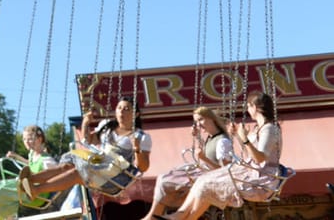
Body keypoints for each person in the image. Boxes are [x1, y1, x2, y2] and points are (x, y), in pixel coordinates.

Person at [162, 92, 284, 220]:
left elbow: (260, 158)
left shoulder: (269, 129)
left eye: (248, 106)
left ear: (254, 106)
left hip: (261, 178)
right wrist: (238, 135)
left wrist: (244, 138)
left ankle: (179, 216)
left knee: (205, 184)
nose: (247, 110)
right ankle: (179, 215)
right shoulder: (258, 128)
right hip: (251, 171)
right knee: (202, 180)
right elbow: (250, 154)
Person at [21, 96, 150, 198]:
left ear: (136, 114)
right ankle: (30, 180)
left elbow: (143, 167)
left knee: (77, 173)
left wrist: (136, 148)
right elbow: (87, 140)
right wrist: (85, 123)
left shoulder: (141, 136)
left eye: (127, 109)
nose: (121, 111)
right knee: (67, 165)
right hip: (99, 166)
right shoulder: (107, 126)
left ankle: (36, 190)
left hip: (115, 178)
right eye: (119, 108)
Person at [147, 107, 234, 218]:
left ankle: (162, 216)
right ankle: (155, 215)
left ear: (212, 119)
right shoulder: (211, 138)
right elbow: (205, 152)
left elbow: (226, 172)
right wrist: (197, 137)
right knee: (163, 178)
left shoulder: (222, 141)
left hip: (212, 179)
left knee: (170, 183)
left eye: (201, 120)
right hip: (204, 174)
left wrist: (204, 159)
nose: (198, 124)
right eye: (196, 121)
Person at [0, 125, 58, 220]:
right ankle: (9, 216)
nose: (26, 142)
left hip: (36, 194)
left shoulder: (47, 160)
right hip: (25, 189)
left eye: (30, 139)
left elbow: (57, 172)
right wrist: (16, 156)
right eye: (24, 139)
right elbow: (30, 164)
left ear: (39, 139)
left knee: (1, 191)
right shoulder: (32, 154)